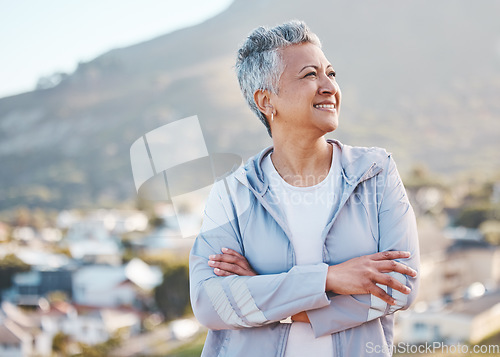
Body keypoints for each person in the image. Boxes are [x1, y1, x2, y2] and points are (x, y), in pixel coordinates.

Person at [189, 20, 419, 357]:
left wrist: (267, 298)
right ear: (267, 101)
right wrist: (327, 279)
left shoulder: (375, 172)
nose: (329, 86)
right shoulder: (232, 192)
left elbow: (401, 288)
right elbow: (211, 304)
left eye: (331, 73)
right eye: (310, 75)